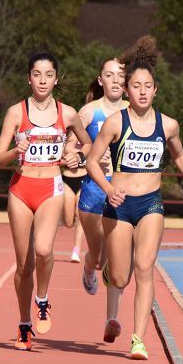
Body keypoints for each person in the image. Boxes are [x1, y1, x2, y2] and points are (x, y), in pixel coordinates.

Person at [85, 37, 183, 360]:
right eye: (135, 85)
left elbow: (179, 156)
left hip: (151, 203)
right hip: (119, 206)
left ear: (156, 90)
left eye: (147, 85)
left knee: (145, 267)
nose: (141, 91)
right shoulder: (115, 123)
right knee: (122, 276)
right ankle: (110, 272)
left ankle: (138, 338)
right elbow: (92, 161)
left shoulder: (168, 125)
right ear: (126, 90)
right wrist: (109, 189)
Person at [0, 51, 91, 350]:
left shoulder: (68, 113)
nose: (43, 80)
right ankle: (24, 324)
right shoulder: (16, 113)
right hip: (21, 189)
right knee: (23, 265)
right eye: (37, 74)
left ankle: (43, 299)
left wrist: (78, 155)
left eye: (48, 75)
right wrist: (15, 150)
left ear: (56, 79)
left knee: (44, 250)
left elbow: (88, 143)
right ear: (29, 78)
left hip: (51, 186)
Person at [76, 58, 128, 344]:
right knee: (98, 260)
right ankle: (87, 266)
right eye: (110, 75)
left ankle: (111, 318)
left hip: (121, 194)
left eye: (120, 75)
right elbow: (72, 145)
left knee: (115, 260)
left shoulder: (134, 113)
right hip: (94, 193)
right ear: (100, 80)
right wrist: (85, 155)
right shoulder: (89, 112)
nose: (116, 80)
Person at [61, 117, 88, 263]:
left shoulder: (88, 138)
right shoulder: (66, 135)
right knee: (68, 222)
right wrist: (67, 159)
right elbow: (57, 156)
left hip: (83, 177)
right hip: (67, 178)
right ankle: (61, 217)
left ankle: (76, 251)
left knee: (80, 217)